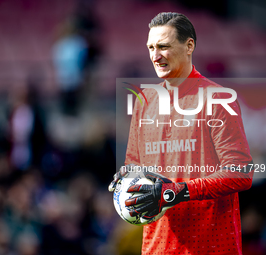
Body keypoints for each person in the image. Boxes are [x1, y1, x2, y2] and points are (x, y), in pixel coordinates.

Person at [109, 12, 254, 255]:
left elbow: (241, 173)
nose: (155, 56)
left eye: (164, 47)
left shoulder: (218, 99)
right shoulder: (144, 101)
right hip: (157, 248)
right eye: (151, 47)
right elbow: (135, 165)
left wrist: (178, 192)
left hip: (212, 247)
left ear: (189, 46)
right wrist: (127, 178)